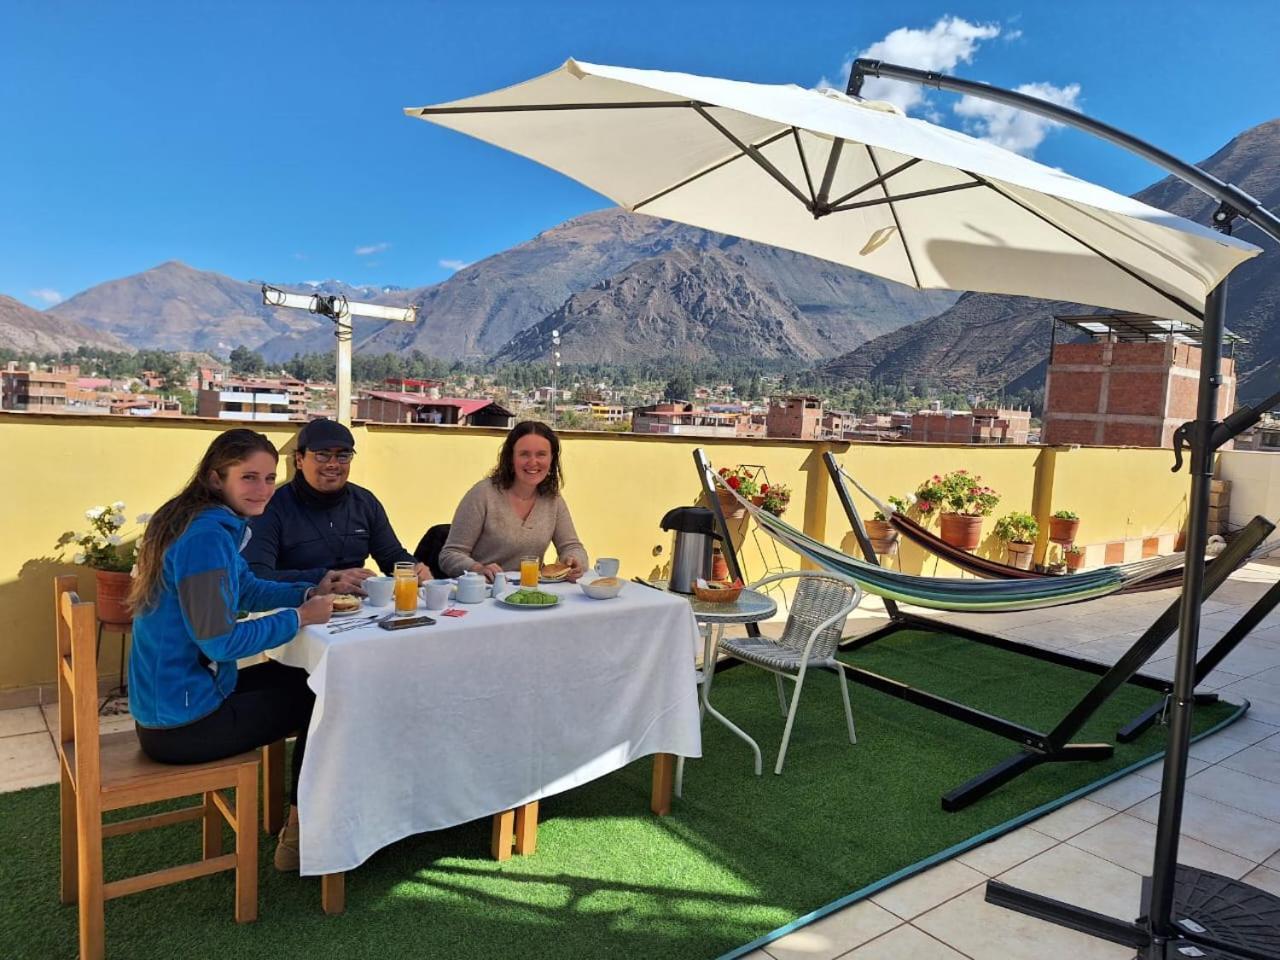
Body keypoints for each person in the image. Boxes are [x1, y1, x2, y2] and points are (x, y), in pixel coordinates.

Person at [127, 428, 340, 871]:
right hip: (183, 725)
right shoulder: (205, 537)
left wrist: (307, 593)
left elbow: (244, 587)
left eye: (269, 478)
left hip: (172, 705)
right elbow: (219, 640)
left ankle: (298, 819)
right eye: (249, 478)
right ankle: (302, 838)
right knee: (327, 699)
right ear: (215, 477)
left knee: (307, 680)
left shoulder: (201, 522)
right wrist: (300, 620)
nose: (263, 490)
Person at [244, 418, 428, 592]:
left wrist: (414, 569)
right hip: (297, 611)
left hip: (359, 609)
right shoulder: (270, 507)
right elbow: (258, 575)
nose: (333, 464)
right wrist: (327, 578)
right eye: (322, 455)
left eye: (343, 456)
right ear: (299, 460)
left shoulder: (364, 501)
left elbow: (391, 555)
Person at [440, 420, 589, 581]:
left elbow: (572, 547)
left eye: (541, 454)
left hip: (530, 593)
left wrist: (574, 561)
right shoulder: (483, 494)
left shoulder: (553, 499)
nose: (533, 462)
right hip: (484, 594)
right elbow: (450, 555)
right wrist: (477, 569)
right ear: (511, 458)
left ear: (552, 459)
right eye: (524, 454)